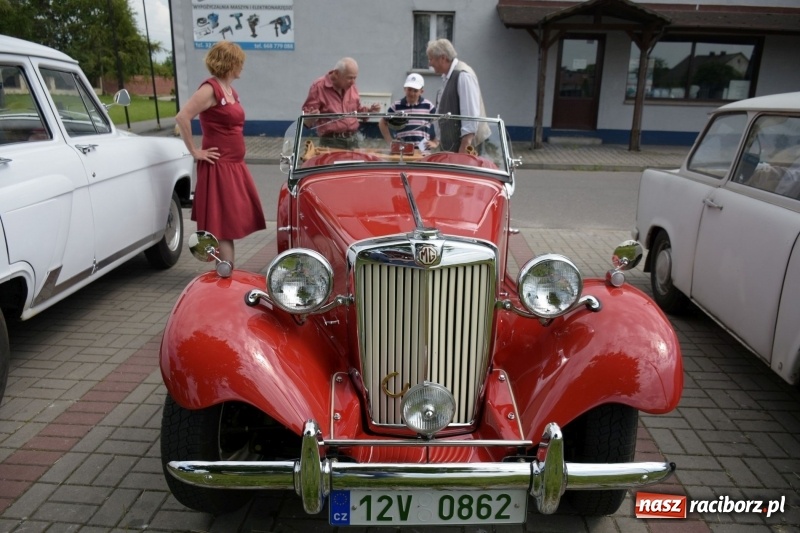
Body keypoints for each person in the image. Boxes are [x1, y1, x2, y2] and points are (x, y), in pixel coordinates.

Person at [175, 41, 266, 267]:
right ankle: (225, 275)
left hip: (233, 164)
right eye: (240, 62)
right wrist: (195, 151)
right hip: (219, 165)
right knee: (223, 226)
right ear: (230, 63)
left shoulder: (231, 91)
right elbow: (182, 117)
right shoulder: (209, 89)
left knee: (229, 223)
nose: (242, 66)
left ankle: (225, 273)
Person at [426, 39, 490, 153]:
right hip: (452, 148)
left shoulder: (463, 75)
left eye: (431, 59)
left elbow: (470, 115)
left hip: (464, 149)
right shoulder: (449, 77)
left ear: (443, 58)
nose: (429, 63)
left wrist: (465, 146)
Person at [301, 57, 381, 149]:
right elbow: (306, 121)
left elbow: (357, 111)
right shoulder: (318, 87)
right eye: (349, 78)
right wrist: (312, 116)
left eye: (355, 78)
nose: (353, 82)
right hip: (331, 142)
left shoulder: (352, 86)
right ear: (336, 73)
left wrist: (370, 110)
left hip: (353, 140)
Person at [379, 73, 437, 149]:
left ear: (421, 91)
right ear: (404, 89)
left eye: (415, 91)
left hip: (423, 149)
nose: (412, 93)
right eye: (409, 89)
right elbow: (382, 122)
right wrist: (390, 141)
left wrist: (435, 142)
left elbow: (440, 123)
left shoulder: (428, 106)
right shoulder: (396, 106)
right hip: (402, 148)